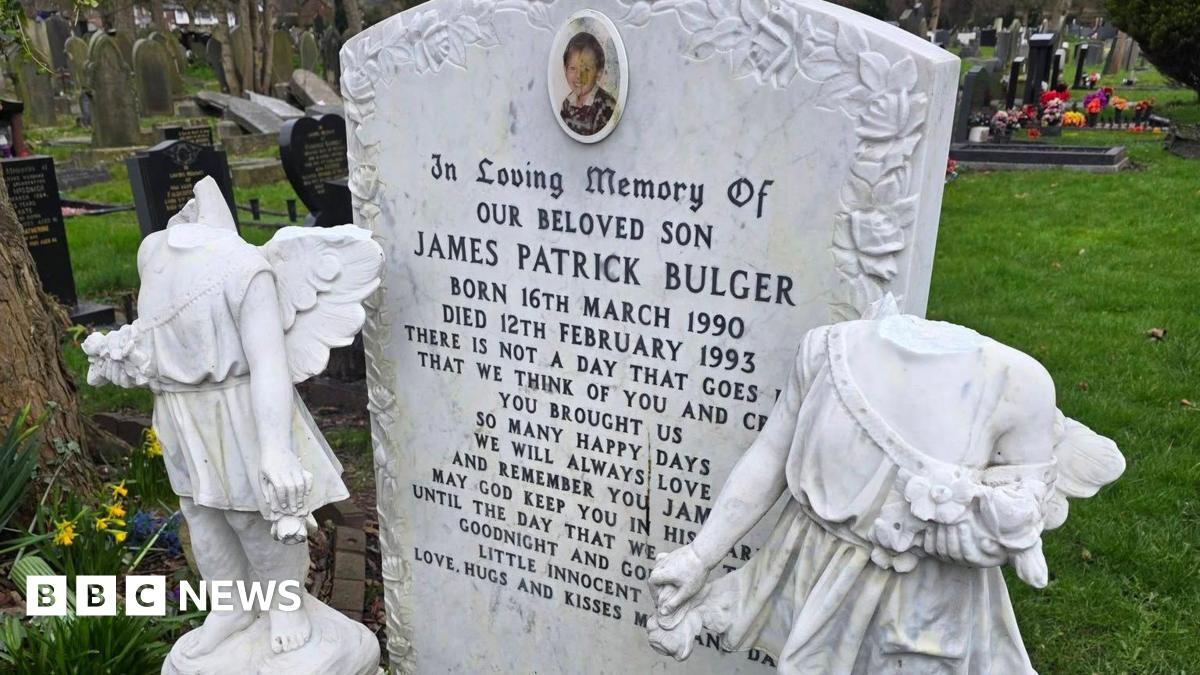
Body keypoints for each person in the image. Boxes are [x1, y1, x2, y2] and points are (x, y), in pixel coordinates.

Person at [646, 298, 1124, 674]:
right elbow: (770, 455)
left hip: (922, 599)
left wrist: (973, 524)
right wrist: (698, 556)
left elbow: (1019, 526)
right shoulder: (825, 350)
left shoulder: (1016, 384)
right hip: (812, 566)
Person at [84, 177, 382, 661]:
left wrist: (276, 449)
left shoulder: (246, 268)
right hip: (178, 407)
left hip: (236, 408)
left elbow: (269, 364)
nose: (184, 212)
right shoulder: (151, 252)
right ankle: (231, 606)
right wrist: (125, 356)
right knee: (200, 513)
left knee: (251, 518)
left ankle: (286, 606)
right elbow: (158, 330)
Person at [559, 31, 616, 136]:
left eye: (585, 69)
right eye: (572, 68)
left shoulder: (607, 107)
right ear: (565, 69)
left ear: (599, 72)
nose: (578, 76)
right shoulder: (567, 104)